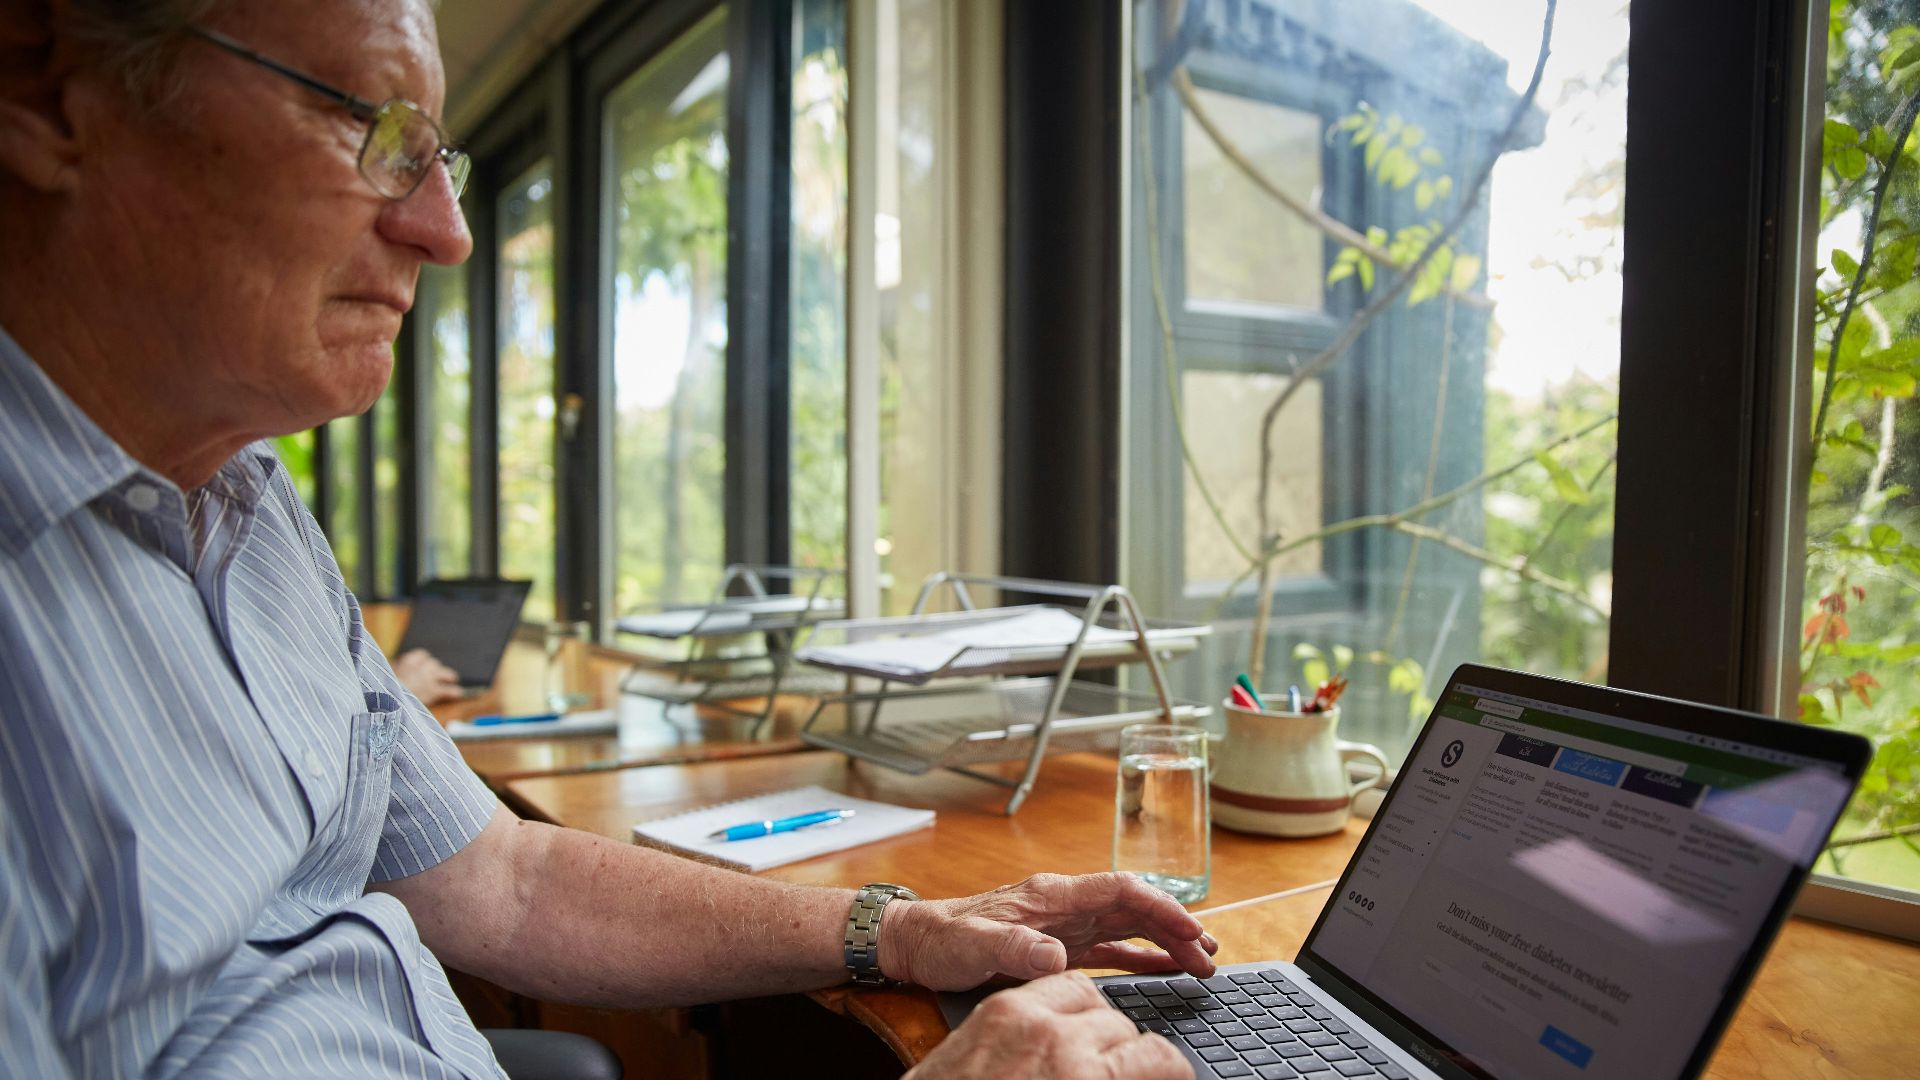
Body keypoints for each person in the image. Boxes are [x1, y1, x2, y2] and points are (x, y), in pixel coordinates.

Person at [0, 2, 1212, 1078]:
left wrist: (893, 928)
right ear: (49, 90)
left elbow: (503, 879)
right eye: (374, 132)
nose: (445, 229)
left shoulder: (250, 510)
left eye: (442, 159)